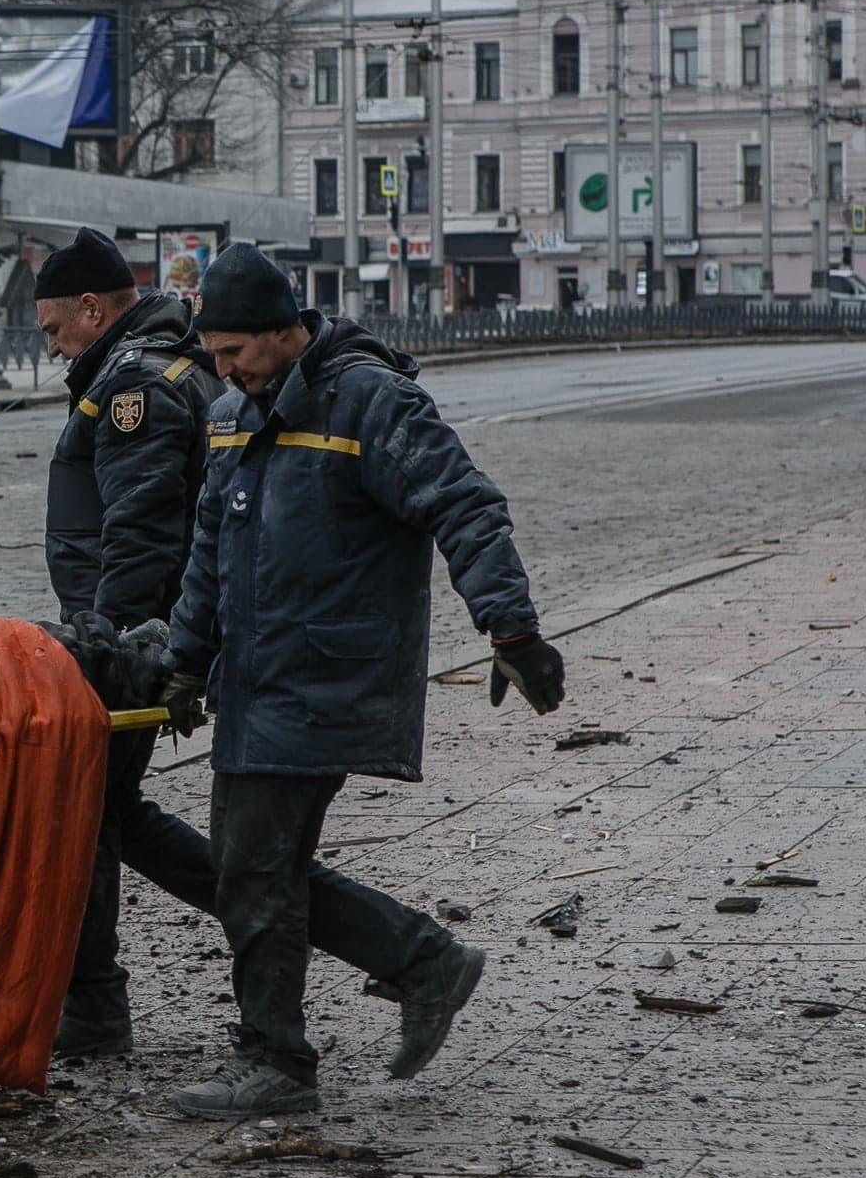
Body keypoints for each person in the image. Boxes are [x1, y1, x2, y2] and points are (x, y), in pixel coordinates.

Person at [157, 244, 566, 1119]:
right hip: (256, 680)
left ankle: (278, 1060)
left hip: (325, 672)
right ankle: (423, 962)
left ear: (283, 329)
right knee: (252, 866)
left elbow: (464, 505)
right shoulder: (233, 413)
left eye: (234, 351)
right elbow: (209, 552)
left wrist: (513, 627)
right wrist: (186, 660)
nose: (222, 371)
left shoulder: (370, 401)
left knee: (253, 871)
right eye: (213, 355)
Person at [32, 227, 222, 1055]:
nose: (49, 349)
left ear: (91, 307)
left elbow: (140, 539)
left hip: (130, 638)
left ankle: (95, 1008)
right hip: (147, 632)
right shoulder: (156, 362)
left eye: (51, 331)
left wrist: (104, 649)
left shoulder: (134, 384)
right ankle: (396, 946)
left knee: (82, 811)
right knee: (110, 813)